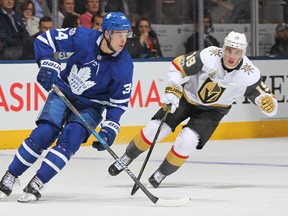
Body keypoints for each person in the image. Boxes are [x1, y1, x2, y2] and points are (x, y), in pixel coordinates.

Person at [107, 31, 278, 188]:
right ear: (223, 48)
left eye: (237, 52)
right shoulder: (209, 55)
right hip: (187, 98)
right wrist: (173, 88)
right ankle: (127, 157)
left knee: (188, 140)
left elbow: (265, 99)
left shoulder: (249, 73)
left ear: (243, 53)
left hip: (213, 111)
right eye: (229, 50)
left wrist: (268, 105)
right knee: (155, 129)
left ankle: (161, 173)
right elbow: (177, 66)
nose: (232, 56)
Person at [0, 12, 133, 202]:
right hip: (64, 90)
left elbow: (119, 102)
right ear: (106, 33)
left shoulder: (124, 65)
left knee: (70, 140)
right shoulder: (82, 37)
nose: (123, 39)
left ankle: (39, 180)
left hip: (93, 106)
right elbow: (44, 40)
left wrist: (110, 128)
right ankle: (11, 175)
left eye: (126, 34)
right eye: (119, 34)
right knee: (44, 133)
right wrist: (48, 65)